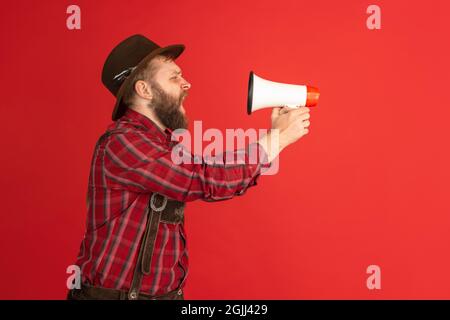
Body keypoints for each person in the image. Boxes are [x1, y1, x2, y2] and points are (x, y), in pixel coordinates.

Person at [67, 34, 311, 300]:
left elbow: (209, 171)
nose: (187, 84)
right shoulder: (122, 144)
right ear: (144, 90)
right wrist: (276, 140)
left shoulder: (163, 144)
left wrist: (272, 140)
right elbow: (203, 179)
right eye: (174, 77)